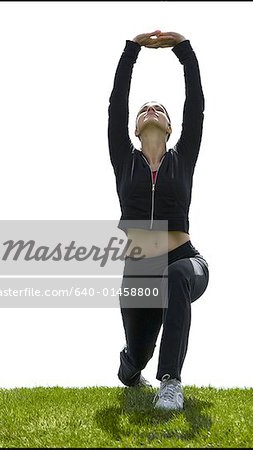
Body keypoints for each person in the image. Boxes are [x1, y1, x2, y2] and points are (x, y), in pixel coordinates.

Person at [108, 30, 209, 410]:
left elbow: (196, 104)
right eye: (144, 109)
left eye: (160, 109)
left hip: (185, 258)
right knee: (136, 358)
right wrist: (131, 49)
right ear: (135, 128)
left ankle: (171, 383)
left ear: (170, 127)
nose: (151, 110)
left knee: (178, 275)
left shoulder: (183, 158)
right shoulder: (124, 160)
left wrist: (183, 50)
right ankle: (131, 364)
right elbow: (116, 103)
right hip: (139, 269)